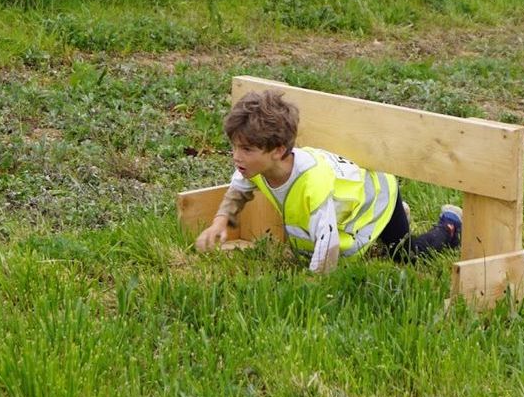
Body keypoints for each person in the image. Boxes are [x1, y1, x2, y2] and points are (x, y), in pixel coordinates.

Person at [195, 90, 462, 273]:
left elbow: (328, 244)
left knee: (404, 255)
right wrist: (220, 222)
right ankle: (396, 219)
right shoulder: (253, 169)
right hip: (347, 202)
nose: (236, 158)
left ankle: (451, 226)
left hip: (376, 197)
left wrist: (315, 285)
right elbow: (239, 190)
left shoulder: (313, 183)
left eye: (247, 150)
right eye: (235, 148)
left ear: (277, 150)